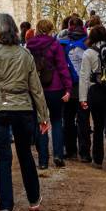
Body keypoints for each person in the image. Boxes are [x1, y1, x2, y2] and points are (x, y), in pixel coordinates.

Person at [0, 13, 50, 211]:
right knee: (25, 154)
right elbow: (36, 88)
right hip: (23, 110)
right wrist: (43, 116)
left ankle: (5, 206)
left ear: (2, 29)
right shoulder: (26, 55)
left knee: (4, 158)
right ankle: (34, 200)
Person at [27, 19, 72, 169]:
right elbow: (62, 67)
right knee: (57, 121)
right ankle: (58, 155)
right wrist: (68, 88)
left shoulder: (30, 46)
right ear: (51, 29)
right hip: (55, 87)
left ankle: (43, 160)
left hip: (36, 89)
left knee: (41, 122)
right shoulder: (55, 44)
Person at [79, 24, 106, 174]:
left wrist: (82, 98)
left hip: (96, 91)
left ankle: (97, 159)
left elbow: (84, 77)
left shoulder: (88, 53)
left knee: (98, 126)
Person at [59, 17, 90, 162]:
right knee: (83, 120)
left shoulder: (62, 43)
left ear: (69, 26)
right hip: (84, 86)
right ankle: (84, 153)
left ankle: (70, 150)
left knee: (68, 119)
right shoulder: (88, 42)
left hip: (67, 87)